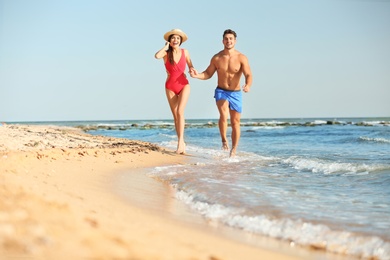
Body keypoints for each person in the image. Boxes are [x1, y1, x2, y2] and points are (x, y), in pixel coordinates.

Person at [190, 29, 252, 157]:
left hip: (236, 93)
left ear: (235, 41)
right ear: (222, 41)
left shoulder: (241, 58)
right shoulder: (217, 58)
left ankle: (233, 149)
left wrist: (248, 85)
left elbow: (248, 74)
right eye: (226, 39)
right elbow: (207, 74)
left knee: (235, 122)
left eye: (231, 39)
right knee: (224, 115)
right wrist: (197, 75)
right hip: (221, 90)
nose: (228, 41)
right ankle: (224, 140)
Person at [155, 29, 195, 154]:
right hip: (170, 86)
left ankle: (180, 142)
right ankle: (181, 142)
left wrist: (192, 69)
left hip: (184, 85)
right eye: (173, 38)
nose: (175, 40)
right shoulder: (166, 54)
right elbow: (156, 56)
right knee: (175, 116)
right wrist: (166, 46)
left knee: (180, 111)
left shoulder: (185, 52)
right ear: (169, 40)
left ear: (181, 41)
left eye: (178, 38)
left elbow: (190, 64)